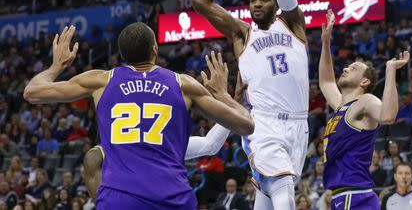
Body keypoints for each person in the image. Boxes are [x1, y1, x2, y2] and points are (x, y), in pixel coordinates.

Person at [23, 24, 254, 209]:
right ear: (155, 50)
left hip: (119, 198)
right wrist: (223, 94)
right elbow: (246, 125)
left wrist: (56, 66)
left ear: (122, 55)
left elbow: (32, 92)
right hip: (172, 197)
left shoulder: (100, 81)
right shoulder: (183, 84)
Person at [192, 0, 309, 210]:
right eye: (253, 0)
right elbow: (200, 2)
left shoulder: (293, 24)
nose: (256, 3)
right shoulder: (242, 34)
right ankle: (151, 150)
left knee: (270, 193)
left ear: (276, 4)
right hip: (262, 121)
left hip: (299, 124)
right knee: (283, 188)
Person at [83, 73, 246, 200]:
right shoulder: (99, 155)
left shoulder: (102, 153)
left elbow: (209, 145)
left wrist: (233, 106)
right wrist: (233, 107)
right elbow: (209, 145)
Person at [319, 10, 410, 209]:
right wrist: (326, 43)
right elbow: (326, 82)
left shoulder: (365, 101)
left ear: (365, 81)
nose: (344, 69)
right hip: (343, 195)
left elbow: (388, 115)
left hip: (354, 195)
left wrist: (390, 70)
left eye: (352, 69)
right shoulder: (342, 106)